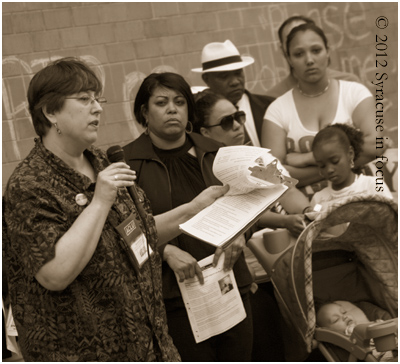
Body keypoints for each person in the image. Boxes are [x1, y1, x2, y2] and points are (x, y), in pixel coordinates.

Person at [2, 58, 228, 362]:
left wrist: (195, 208)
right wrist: (99, 201)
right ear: (50, 111)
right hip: (86, 353)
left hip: (149, 345)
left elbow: (139, 235)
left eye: (98, 98)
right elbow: (54, 274)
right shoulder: (30, 185)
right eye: (84, 99)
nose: (97, 108)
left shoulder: (102, 161)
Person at [123, 72, 254, 362]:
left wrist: (240, 234)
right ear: (144, 112)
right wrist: (164, 250)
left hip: (228, 280)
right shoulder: (129, 164)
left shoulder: (216, 152)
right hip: (174, 294)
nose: (172, 109)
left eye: (180, 102)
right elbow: (124, 229)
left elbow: (247, 203)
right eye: (161, 102)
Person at [193, 89, 313, 361]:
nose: (237, 125)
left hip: (275, 267)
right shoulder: (203, 168)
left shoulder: (254, 155)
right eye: (227, 122)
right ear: (205, 133)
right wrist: (283, 219)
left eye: (239, 116)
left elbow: (286, 189)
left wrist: (307, 211)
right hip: (236, 278)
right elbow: (241, 211)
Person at [261, 23, 387, 200]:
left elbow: (376, 145)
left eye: (316, 50)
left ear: (328, 52)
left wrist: (307, 158)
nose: (309, 60)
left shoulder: (354, 93)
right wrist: (337, 165)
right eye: (299, 54)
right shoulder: (277, 110)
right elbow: (272, 175)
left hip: (362, 197)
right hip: (305, 206)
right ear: (289, 60)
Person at [192, 39, 275, 147]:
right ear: (206, 79)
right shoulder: (196, 120)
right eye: (224, 76)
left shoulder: (271, 106)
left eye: (238, 73)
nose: (235, 82)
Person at [265, 15, 360, 98]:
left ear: (326, 49)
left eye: (315, 50)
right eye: (290, 40)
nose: (309, 59)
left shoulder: (349, 84)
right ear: (283, 50)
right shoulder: (272, 98)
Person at [308, 123, 392, 214]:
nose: (329, 170)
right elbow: (314, 224)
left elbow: (391, 220)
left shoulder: (373, 186)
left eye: (335, 161)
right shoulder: (318, 200)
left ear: (350, 154)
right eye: (322, 166)